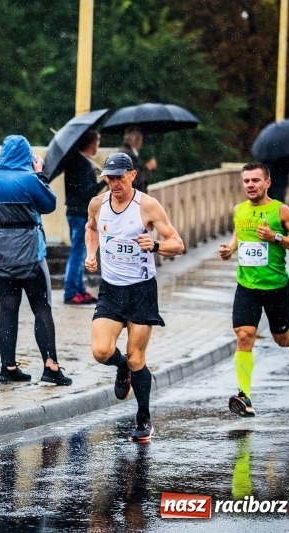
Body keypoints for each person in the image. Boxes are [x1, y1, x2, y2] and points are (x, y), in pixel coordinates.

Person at [85, 152, 184, 441]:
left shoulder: (148, 206)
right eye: (109, 177)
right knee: (101, 351)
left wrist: (154, 246)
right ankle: (121, 369)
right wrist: (92, 254)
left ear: (132, 175)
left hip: (141, 291)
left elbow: (177, 244)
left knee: (137, 356)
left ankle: (143, 416)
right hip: (111, 290)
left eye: (118, 177)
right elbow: (90, 229)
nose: (114, 183)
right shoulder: (97, 204)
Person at [219, 162, 289, 418]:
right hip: (247, 286)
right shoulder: (239, 210)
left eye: (255, 180)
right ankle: (244, 395)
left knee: (280, 337)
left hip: (275, 286)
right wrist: (230, 249)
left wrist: (276, 238)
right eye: (246, 181)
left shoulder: (280, 211)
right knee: (244, 335)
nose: (250, 185)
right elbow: (240, 237)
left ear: (267, 183)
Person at [0, 135, 73, 386]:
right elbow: (49, 204)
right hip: (30, 251)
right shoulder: (30, 179)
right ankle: (51, 366)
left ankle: (7, 367)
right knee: (41, 308)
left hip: (2, 249)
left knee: (8, 308)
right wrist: (40, 174)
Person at [63, 129, 105, 305]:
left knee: (80, 252)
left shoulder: (77, 161)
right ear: (92, 143)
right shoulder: (80, 164)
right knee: (78, 253)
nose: (98, 145)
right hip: (79, 213)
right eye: (97, 142)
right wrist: (105, 182)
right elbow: (87, 193)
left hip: (75, 212)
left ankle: (79, 289)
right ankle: (71, 291)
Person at [120, 126, 157, 193]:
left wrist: (146, 167)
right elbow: (135, 179)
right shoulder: (128, 155)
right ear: (137, 140)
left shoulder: (125, 153)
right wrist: (148, 168)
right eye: (141, 139)